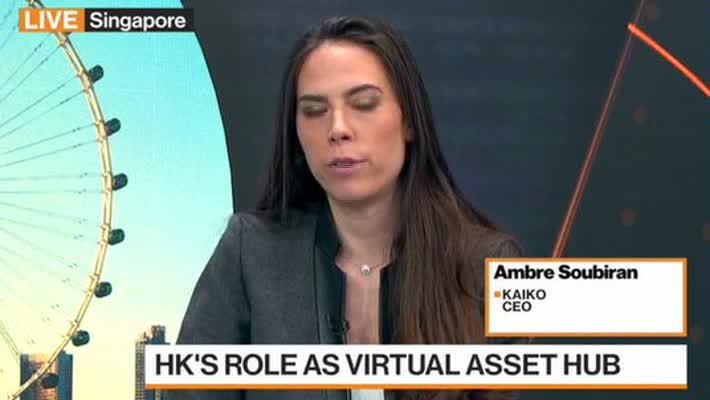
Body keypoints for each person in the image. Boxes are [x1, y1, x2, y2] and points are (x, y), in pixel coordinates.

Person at [172, 16, 524, 400]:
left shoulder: (486, 267)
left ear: (408, 120)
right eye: (314, 111)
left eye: (363, 104)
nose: (338, 128)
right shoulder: (249, 254)